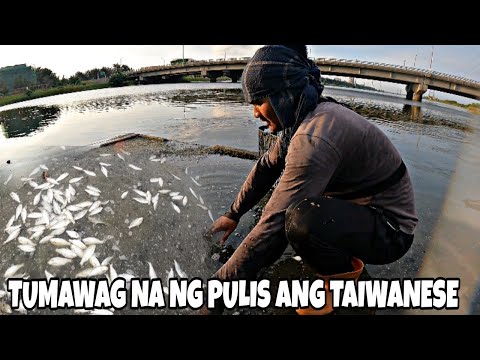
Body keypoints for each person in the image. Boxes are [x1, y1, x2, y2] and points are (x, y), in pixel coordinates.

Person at [204, 45, 418, 315]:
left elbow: (274, 224)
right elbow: (267, 166)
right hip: (361, 208)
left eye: (259, 101)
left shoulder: (313, 137)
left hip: (391, 229)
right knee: (301, 213)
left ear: (283, 96)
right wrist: (234, 212)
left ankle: (354, 295)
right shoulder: (304, 115)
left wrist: (215, 296)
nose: (255, 113)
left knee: (300, 220)